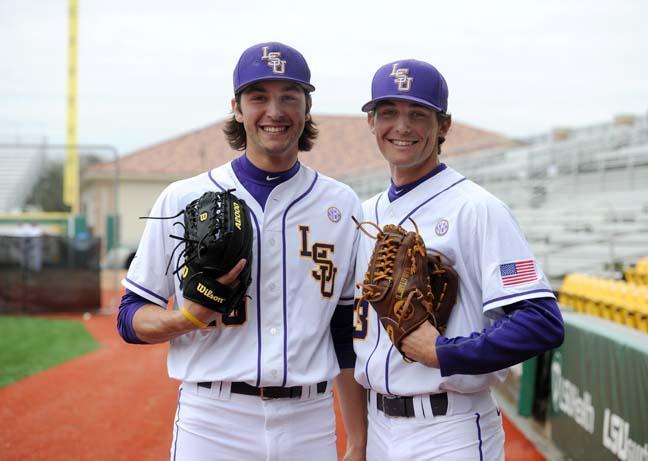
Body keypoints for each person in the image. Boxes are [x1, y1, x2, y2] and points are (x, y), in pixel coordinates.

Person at [116, 42, 367, 461]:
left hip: (309, 419)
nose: (275, 111)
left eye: (289, 97)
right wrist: (185, 318)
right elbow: (129, 316)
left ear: (307, 109)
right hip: (213, 418)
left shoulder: (340, 204)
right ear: (236, 107)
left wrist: (358, 440)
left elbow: (343, 331)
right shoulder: (184, 197)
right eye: (259, 97)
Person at [353, 59, 565, 460]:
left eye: (418, 114)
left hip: (449, 429)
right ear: (371, 122)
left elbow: (543, 322)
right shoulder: (364, 214)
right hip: (378, 424)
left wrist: (445, 352)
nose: (402, 126)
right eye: (388, 113)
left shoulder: (478, 208)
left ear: (443, 125)